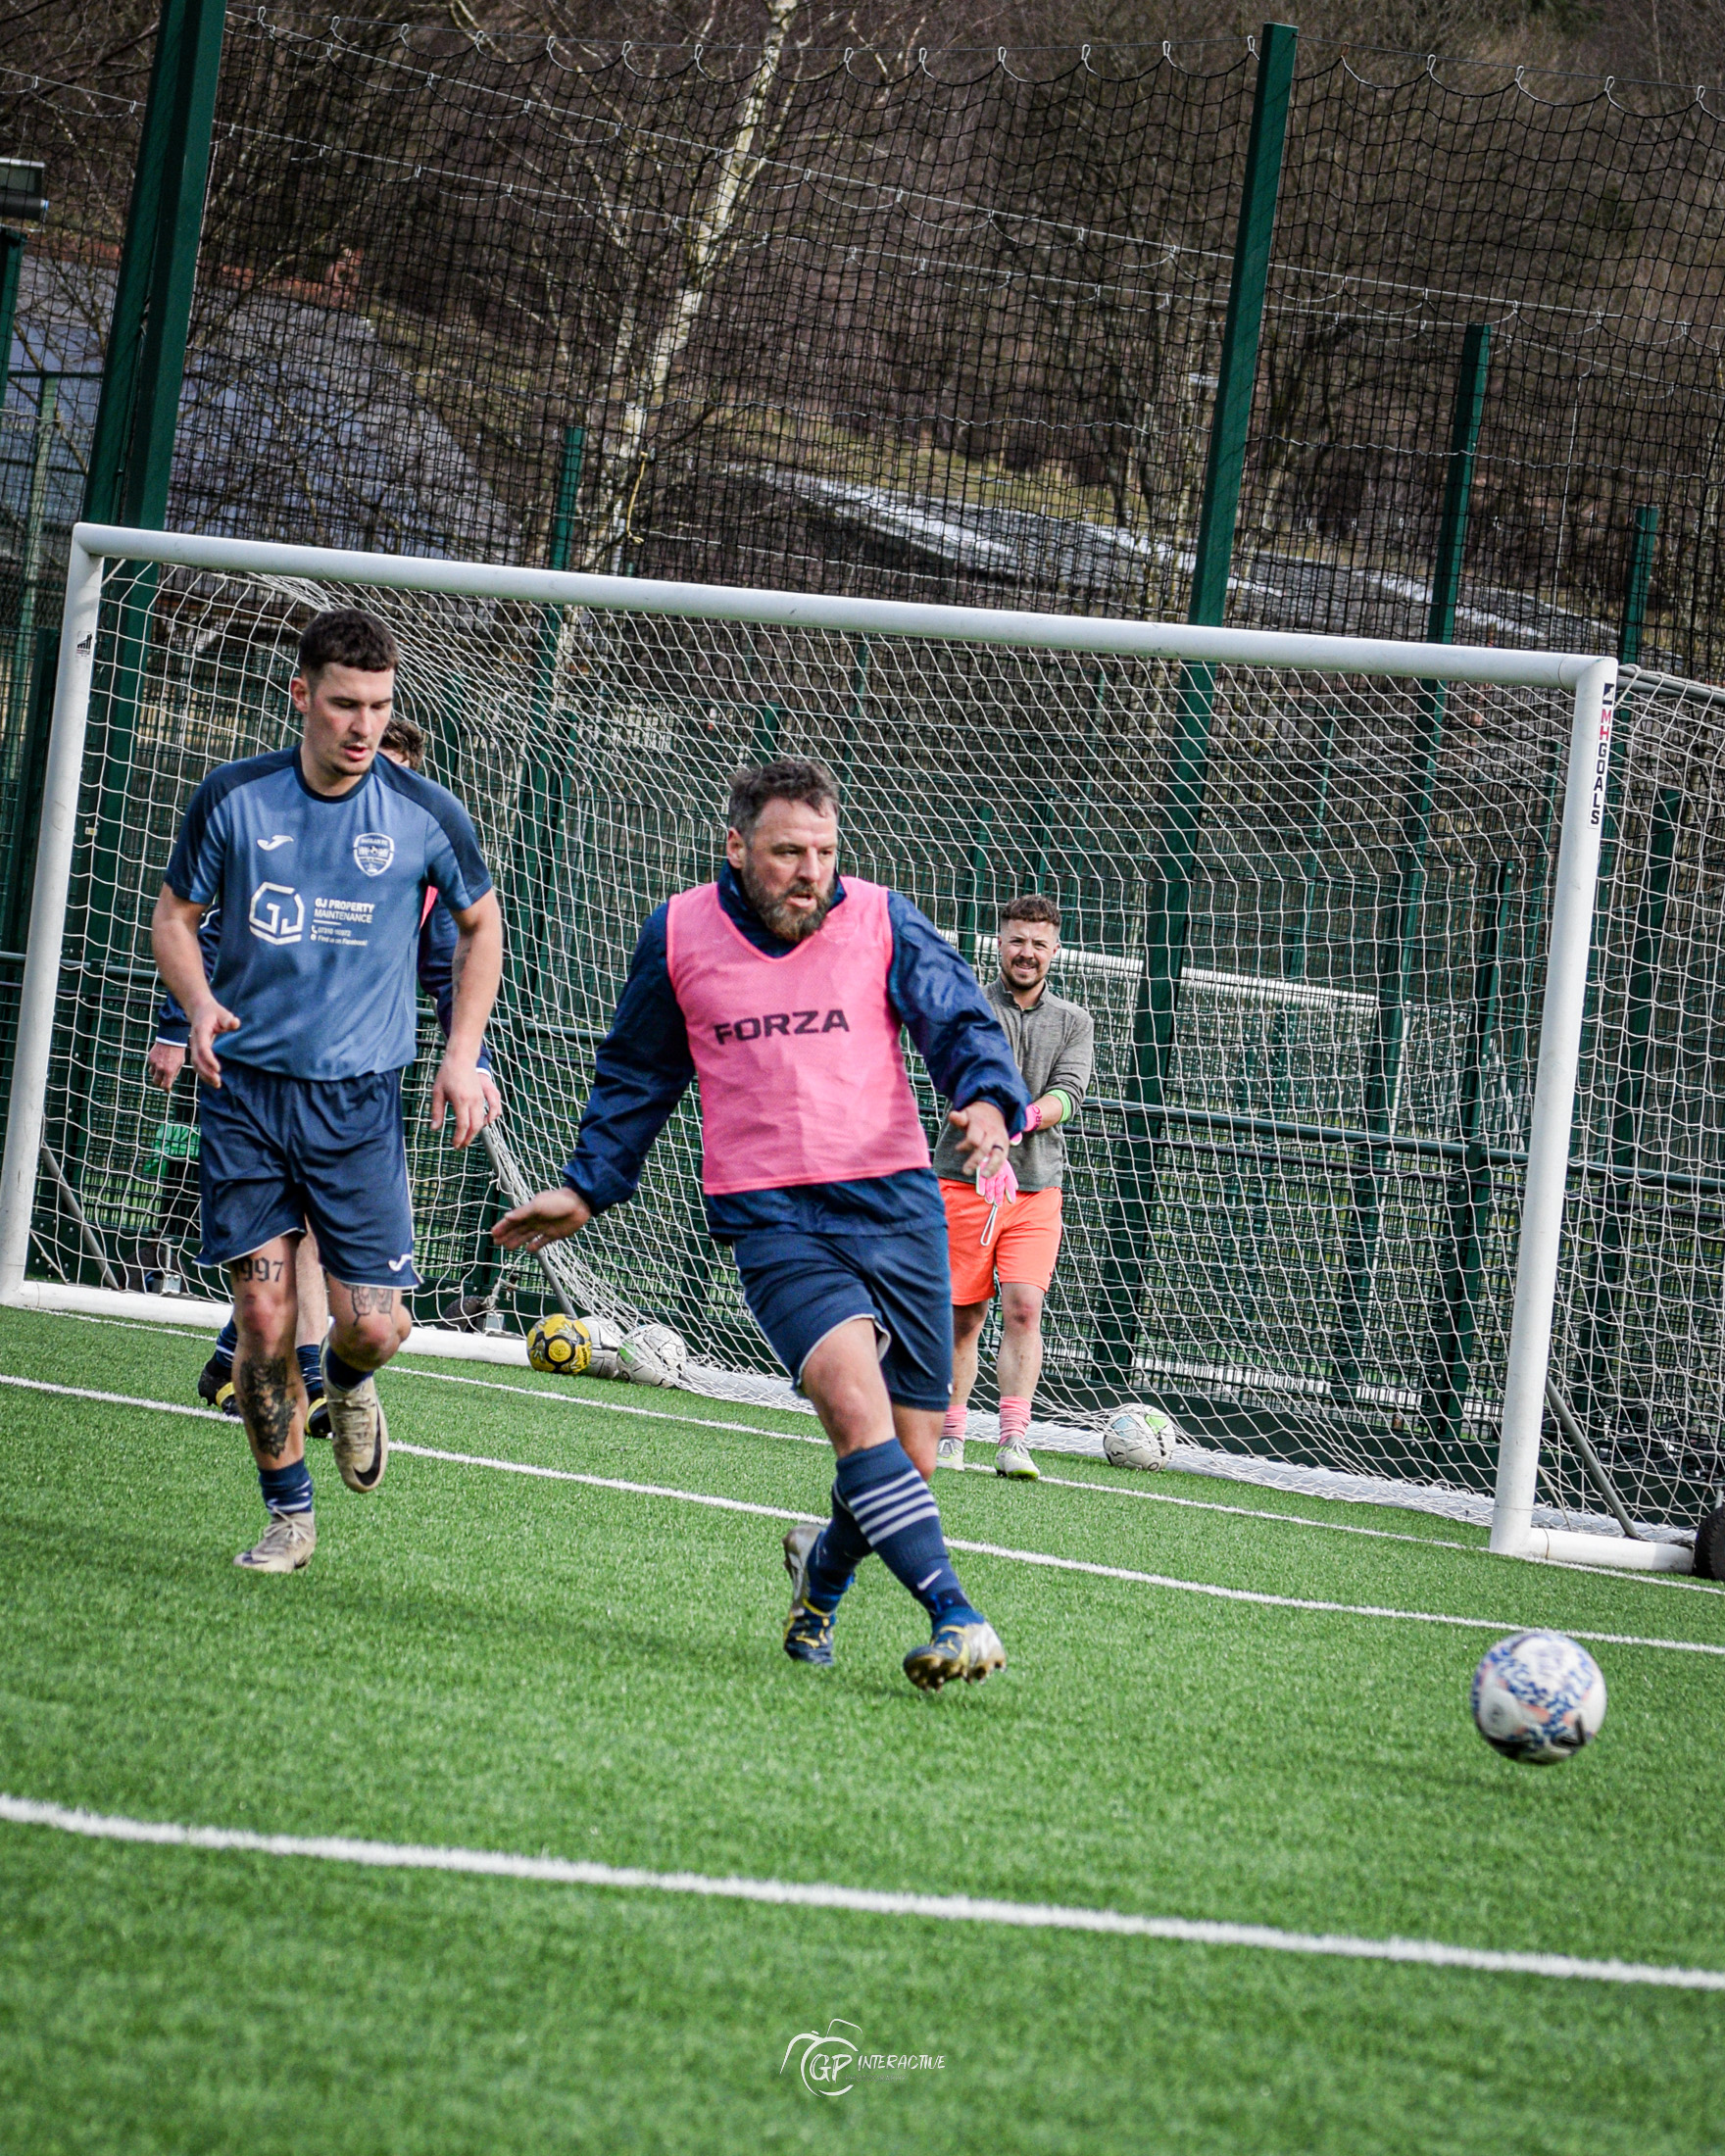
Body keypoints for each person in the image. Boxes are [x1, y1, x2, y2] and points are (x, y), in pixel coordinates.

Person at [491, 757, 1028, 1691]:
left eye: (823, 852)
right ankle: (955, 1613)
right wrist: (588, 1187)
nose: (810, 872)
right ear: (737, 847)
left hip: (898, 1209)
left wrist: (986, 1098)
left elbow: (960, 1023)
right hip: (775, 1219)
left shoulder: (884, 918)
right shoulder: (678, 933)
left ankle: (821, 1571)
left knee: (910, 1459)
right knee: (854, 1416)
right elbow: (636, 1073)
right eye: (787, 853)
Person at [152, 609, 503, 1574]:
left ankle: (347, 1379)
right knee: (264, 1317)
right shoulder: (233, 797)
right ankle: (289, 1515)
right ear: (301, 695)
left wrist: (463, 1053)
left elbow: (480, 927)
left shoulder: (425, 813)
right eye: (345, 704)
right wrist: (196, 1006)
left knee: (376, 1325)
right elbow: (175, 917)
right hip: (245, 1096)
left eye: (379, 706)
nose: (363, 725)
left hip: (357, 1108)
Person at [934, 894, 1095, 1481]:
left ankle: (1013, 1440)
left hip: (1036, 1190)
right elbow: (961, 1076)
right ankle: (950, 1434)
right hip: (965, 1181)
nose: (1027, 952)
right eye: (1017, 941)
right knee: (965, 1317)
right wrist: (991, 1133)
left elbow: (1068, 1095)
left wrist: (1022, 1120)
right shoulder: (969, 1004)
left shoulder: (1075, 1022)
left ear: (1055, 950)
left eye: (1038, 944)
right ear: (999, 943)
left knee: (1025, 1308)